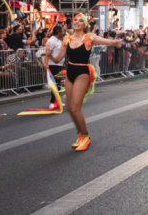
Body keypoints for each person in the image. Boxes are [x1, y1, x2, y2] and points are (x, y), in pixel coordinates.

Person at [49, 14, 122, 151]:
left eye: (80, 21)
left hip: (82, 73)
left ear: (85, 24)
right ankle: (80, 135)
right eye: (75, 20)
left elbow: (107, 41)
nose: (76, 22)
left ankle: (85, 136)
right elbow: (59, 57)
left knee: (76, 108)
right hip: (70, 72)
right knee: (70, 108)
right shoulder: (67, 39)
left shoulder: (89, 38)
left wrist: (115, 42)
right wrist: (48, 55)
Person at [44, 26, 65, 111]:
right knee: (55, 84)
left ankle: (57, 101)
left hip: (58, 65)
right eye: (62, 31)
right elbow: (47, 54)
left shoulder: (57, 40)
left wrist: (62, 63)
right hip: (53, 65)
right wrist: (46, 64)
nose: (63, 33)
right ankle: (52, 102)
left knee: (58, 84)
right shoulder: (51, 41)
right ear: (59, 32)